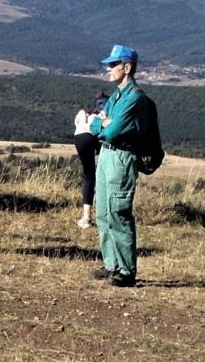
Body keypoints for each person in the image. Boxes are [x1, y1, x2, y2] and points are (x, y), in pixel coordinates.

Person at [88, 44, 154, 287]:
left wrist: (103, 125)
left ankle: (126, 271)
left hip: (121, 157)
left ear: (127, 68)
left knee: (118, 212)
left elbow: (112, 130)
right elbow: (98, 124)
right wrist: (102, 124)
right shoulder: (117, 96)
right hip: (106, 156)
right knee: (103, 213)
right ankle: (111, 265)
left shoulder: (135, 98)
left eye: (113, 65)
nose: (109, 69)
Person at [73, 92, 108, 229]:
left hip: (82, 138)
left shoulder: (84, 113)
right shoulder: (106, 116)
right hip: (100, 135)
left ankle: (87, 217)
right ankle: (104, 215)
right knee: (102, 174)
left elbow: (80, 125)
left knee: (88, 175)